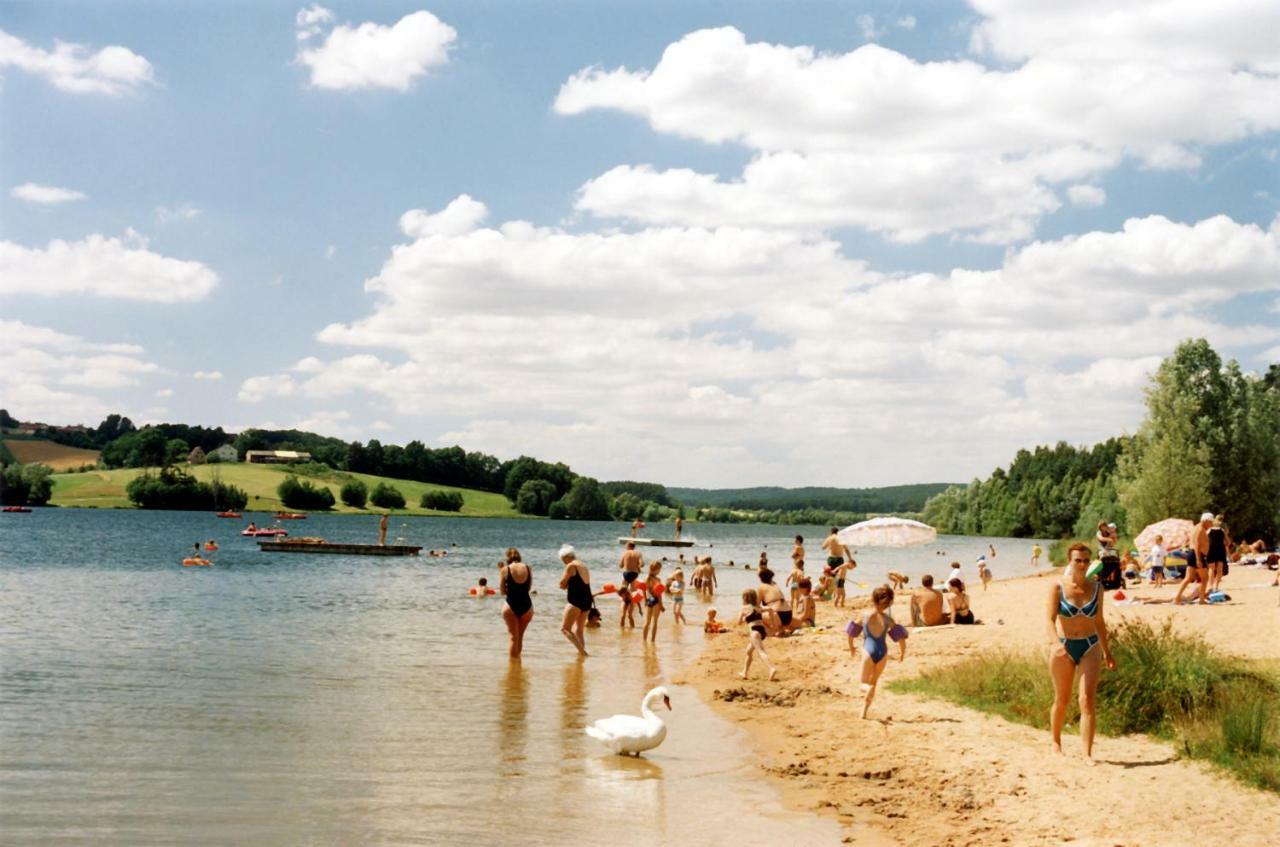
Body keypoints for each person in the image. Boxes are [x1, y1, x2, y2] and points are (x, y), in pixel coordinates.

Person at [1046, 542, 1116, 764]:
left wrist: (1107, 651)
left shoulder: (1097, 588)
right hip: (1064, 647)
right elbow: (1049, 620)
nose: (1083, 564)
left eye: (1086, 560)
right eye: (1078, 560)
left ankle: (1086, 753)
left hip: (1090, 646)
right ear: (1070, 561)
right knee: (1062, 699)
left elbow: (1099, 621)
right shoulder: (1057, 586)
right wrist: (1055, 644)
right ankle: (1056, 742)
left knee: (1086, 700)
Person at [850, 585, 907, 718]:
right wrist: (902, 652)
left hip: (868, 651)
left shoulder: (864, 615)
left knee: (863, 684)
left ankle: (865, 696)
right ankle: (863, 712)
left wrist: (851, 647)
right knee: (873, 682)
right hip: (883, 652)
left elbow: (851, 631)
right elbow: (900, 638)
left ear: (872, 599)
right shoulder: (888, 619)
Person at [499, 548, 533, 659]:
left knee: (513, 638)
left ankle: (513, 670)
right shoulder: (528, 568)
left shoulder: (505, 569)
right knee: (520, 637)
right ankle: (518, 667)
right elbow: (528, 588)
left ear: (507, 558)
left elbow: (502, 591)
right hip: (527, 606)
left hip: (511, 604)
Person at [558, 544, 591, 657]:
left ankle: (583, 653)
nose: (564, 563)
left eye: (563, 560)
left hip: (576, 600)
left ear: (567, 557)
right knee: (579, 630)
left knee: (565, 629)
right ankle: (581, 656)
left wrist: (564, 585)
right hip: (587, 600)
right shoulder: (583, 565)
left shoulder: (571, 566)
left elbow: (562, 584)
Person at [737, 588, 777, 681]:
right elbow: (770, 609)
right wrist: (772, 624)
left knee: (761, 651)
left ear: (744, 598)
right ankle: (745, 672)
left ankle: (771, 668)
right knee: (749, 651)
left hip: (754, 632)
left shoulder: (744, 608)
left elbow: (738, 623)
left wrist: (743, 618)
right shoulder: (758, 607)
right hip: (762, 631)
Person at [1175, 513, 1215, 605]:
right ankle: (1201, 600)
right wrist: (1198, 559)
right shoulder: (1200, 529)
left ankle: (1177, 598)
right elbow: (1197, 545)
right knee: (1205, 578)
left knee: (1188, 578)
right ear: (1205, 521)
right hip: (1197, 555)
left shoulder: (1197, 528)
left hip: (1193, 554)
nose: (1211, 524)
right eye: (1210, 522)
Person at [756, 568, 792, 635]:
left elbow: (756, 605)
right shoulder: (775, 584)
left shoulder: (761, 587)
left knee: (756, 616)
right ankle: (781, 628)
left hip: (777, 614)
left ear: (761, 578)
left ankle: (772, 631)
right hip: (788, 614)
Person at [642, 560, 665, 643]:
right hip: (656, 601)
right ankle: (652, 641)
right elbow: (658, 594)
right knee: (655, 622)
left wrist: (645, 600)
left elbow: (644, 590)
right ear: (656, 569)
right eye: (659, 569)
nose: (660, 571)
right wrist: (661, 605)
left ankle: (644, 641)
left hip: (649, 600)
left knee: (647, 622)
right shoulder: (658, 580)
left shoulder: (646, 579)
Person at [1206, 515, 1230, 593]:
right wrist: (1223, 544)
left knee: (1211, 568)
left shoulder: (1208, 530)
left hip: (1211, 549)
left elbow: (1205, 540)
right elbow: (1228, 542)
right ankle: (1216, 586)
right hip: (1220, 549)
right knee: (1219, 569)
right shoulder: (1222, 530)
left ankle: (1210, 586)